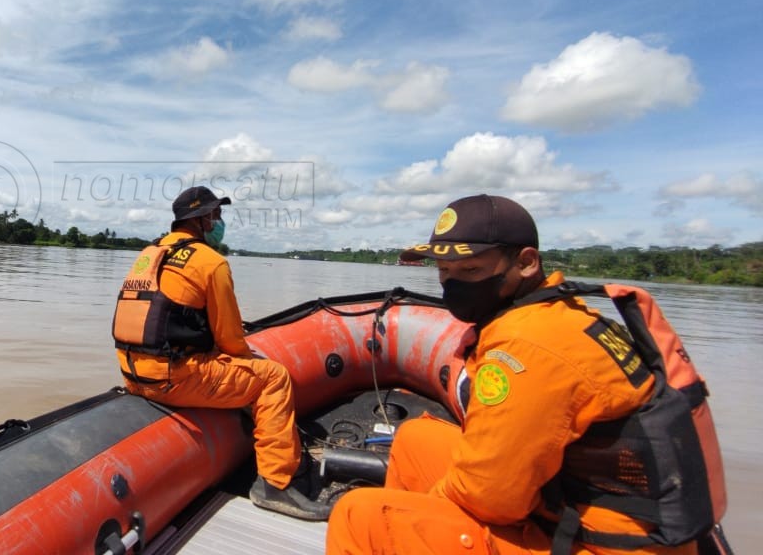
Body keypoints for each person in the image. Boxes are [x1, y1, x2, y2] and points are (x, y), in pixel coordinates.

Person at [326, 194, 725, 555]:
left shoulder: (527, 345)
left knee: (359, 514)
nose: (451, 284)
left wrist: (428, 503)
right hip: (569, 505)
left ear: (526, 262)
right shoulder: (559, 313)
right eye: (444, 271)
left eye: (470, 269)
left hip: (597, 543)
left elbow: (493, 498)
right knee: (415, 438)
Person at [112, 185, 329, 520]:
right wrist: (249, 358)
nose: (220, 221)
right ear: (201, 220)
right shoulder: (211, 263)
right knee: (273, 378)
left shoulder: (148, 254)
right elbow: (231, 341)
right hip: (172, 379)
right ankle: (276, 485)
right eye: (216, 215)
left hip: (131, 374)